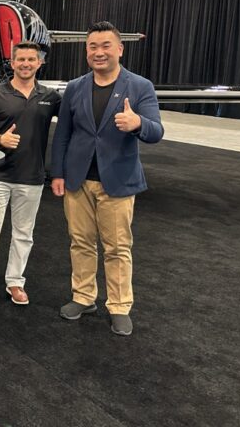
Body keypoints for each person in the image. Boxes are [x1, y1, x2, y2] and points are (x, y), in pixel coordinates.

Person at [51, 21, 163, 337]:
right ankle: (84, 298)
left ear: (119, 49)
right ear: (87, 51)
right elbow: (62, 135)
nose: (99, 52)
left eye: (105, 46)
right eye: (93, 47)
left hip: (117, 182)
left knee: (117, 247)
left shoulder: (140, 87)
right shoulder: (75, 87)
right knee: (81, 243)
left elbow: (156, 131)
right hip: (77, 180)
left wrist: (137, 122)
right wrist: (57, 172)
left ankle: (119, 306)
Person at [0, 42, 61, 306]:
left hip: (31, 176)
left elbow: (74, 121)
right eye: (21, 59)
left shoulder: (51, 97)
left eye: (31, 59)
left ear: (39, 63)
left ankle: (16, 282)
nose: (26, 64)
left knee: (23, 233)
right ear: (12, 62)